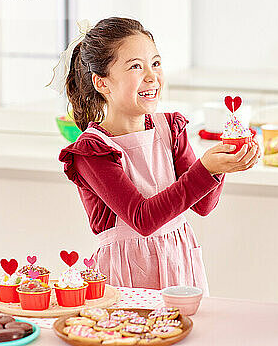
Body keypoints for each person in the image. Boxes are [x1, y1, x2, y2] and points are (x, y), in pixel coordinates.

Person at [56, 17, 259, 292]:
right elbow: (143, 219)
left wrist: (219, 166)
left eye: (156, 63)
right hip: (127, 275)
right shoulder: (93, 151)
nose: (151, 76)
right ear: (102, 83)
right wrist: (205, 167)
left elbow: (203, 206)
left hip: (179, 263)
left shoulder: (170, 129)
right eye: (136, 67)